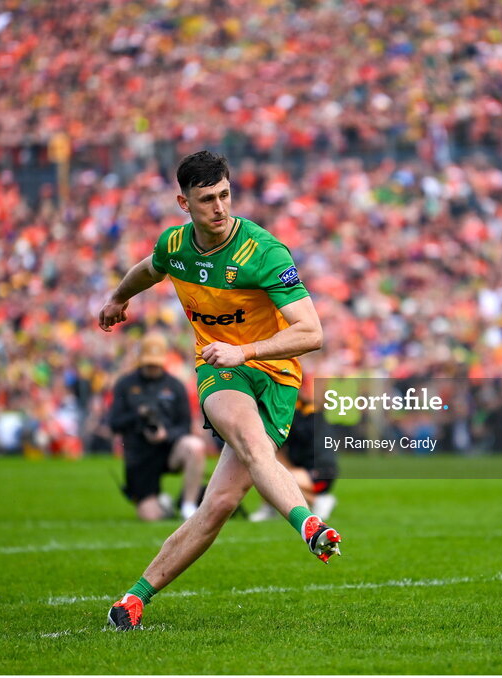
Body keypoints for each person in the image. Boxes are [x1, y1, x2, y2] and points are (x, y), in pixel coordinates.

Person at [98, 150, 342, 631]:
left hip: (274, 375)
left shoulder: (265, 252)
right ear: (183, 202)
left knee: (220, 506)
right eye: (207, 199)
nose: (219, 207)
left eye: (225, 195)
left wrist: (246, 351)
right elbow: (149, 268)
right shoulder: (175, 246)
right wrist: (118, 298)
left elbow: (312, 333)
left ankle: (132, 599)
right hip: (219, 370)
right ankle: (310, 526)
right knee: (252, 444)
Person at [108, 332, 209, 522]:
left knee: (195, 446)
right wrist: (138, 417)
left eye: (155, 364)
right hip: (140, 455)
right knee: (151, 516)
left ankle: (188, 505)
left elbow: (185, 425)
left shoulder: (175, 385)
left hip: (169, 449)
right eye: (149, 364)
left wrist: (166, 434)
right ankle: (165, 504)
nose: (153, 368)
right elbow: (114, 423)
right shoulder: (125, 384)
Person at [248, 378, 339, 522]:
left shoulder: (299, 410)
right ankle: (271, 506)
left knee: (267, 473)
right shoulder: (296, 407)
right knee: (264, 465)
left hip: (319, 471)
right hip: (311, 468)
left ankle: (316, 500)